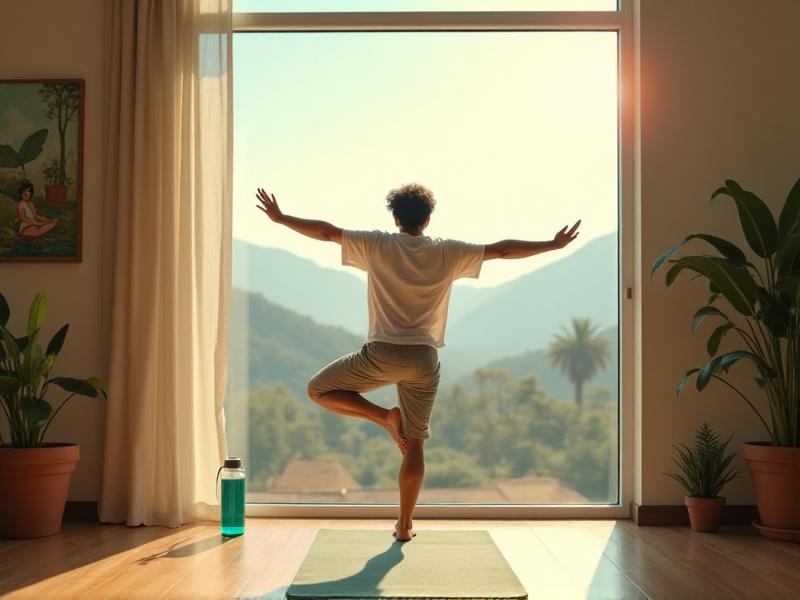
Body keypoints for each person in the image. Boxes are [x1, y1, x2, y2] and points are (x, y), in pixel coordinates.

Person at [255, 183, 580, 542]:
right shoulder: (448, 252)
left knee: (318, 390)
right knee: (416, 444)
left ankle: (383, 417)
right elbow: (502, 251)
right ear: (427, 219)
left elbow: (327, 232)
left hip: (380, 354)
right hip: (424, 360)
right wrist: (552, 244)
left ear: (395, 217)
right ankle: (405, 525)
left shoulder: (377, 244)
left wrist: (282, 218)